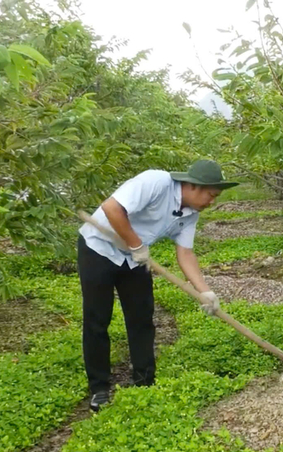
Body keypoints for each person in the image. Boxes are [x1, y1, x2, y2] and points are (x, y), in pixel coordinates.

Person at [77, 159, 238, 411]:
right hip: (98, 248)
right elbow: (111, 208)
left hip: (134, 258)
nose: (212, 202)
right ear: (194, 186)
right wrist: (135, 244)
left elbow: (185, 253)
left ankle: (144, 381)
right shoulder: (156, 182)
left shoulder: (191, 214)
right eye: (211, 195)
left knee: (141, 317)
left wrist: (204, 291)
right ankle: (99, 389)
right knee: (98, 319)